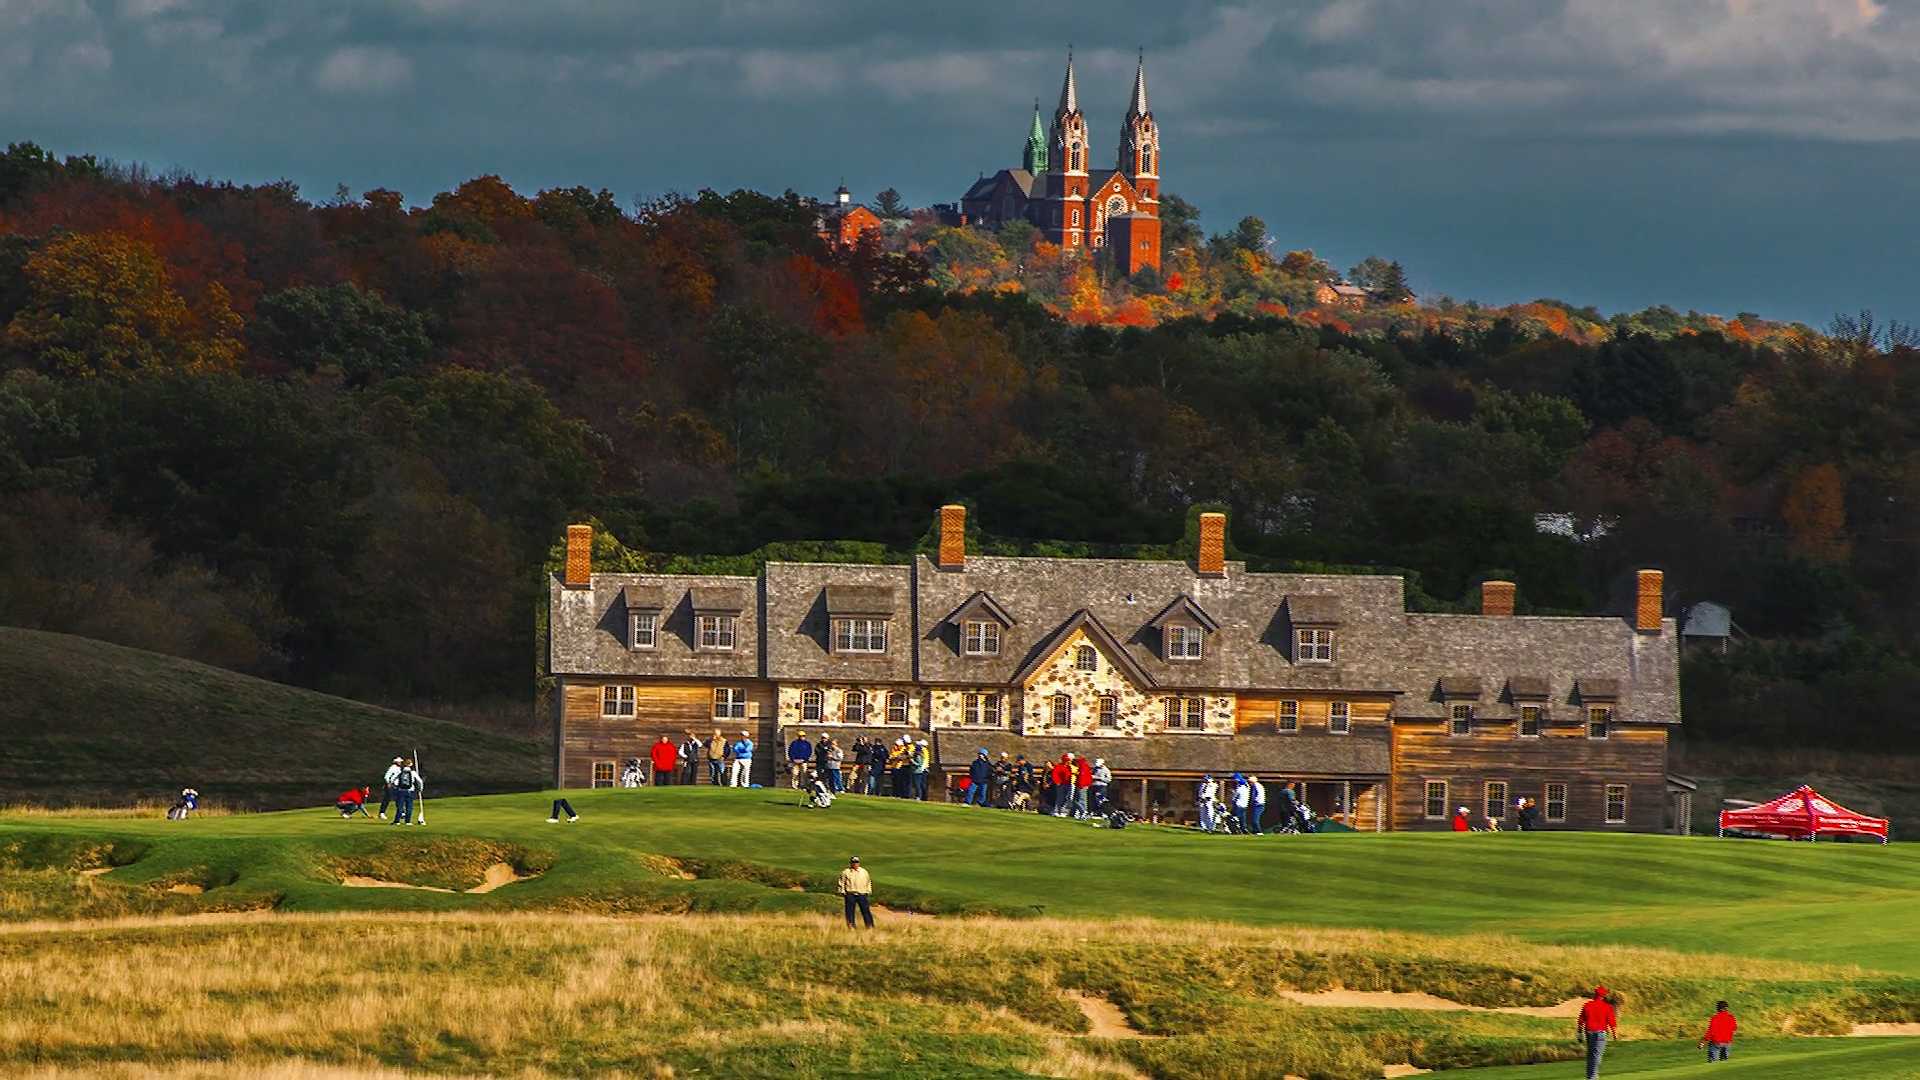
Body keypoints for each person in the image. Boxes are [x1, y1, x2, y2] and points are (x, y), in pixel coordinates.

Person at [1575, 985, 1619, 1079]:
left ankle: (1590, 1076)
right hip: (1600, 1033)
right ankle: (1593, 1076)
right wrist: (1615, 1034)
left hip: (1589, 1032)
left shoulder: (1587, 1005)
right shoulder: (1607, 1007)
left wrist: (1579, 1033)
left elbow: (1581, 1020)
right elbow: (1611, 1021)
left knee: (1591, 1054)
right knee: (1597, 1055)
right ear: (1603, 996)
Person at [836, 856, 874, 929]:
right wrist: (843, 892)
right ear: (851, 863)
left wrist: (868, 890)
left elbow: (868, 881)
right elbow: (842, 882)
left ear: (859, 863)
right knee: (850, 912)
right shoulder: (846, 872)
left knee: (866, 911)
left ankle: (870, 926)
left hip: (862, 894)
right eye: (853, 862)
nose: (855, 864)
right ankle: (851, 926)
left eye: (856, 862)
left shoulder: (864, 871)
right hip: (850, 894)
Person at [390, 759, 418, 825]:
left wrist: (395, 786)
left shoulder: (400, 772)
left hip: (401, 791)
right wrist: (420, 788)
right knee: (409, 806)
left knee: (400, 806)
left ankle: (397, 821)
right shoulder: (413, 772)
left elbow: (393, 780)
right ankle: (408, 821)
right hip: (410, 791)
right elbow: (419, 781)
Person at [1072, 754, 1094, 819]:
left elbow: (1082, 777)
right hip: (1083, 785)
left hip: (1081, 785)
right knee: (1081, 799)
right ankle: (1082, 812)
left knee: (1080, 800)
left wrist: (1081, 785)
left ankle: (1083, 812)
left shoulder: (1082, 767)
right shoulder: (1085, 766)